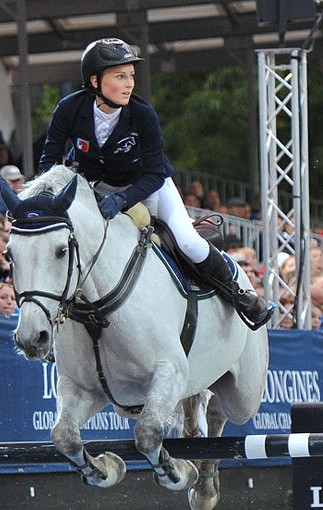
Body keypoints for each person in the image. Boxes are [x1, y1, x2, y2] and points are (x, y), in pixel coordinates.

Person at [38, 38, 271, 328]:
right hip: (95, 188)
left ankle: (238, 295)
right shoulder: (69, 108)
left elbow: (155, 173)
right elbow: (49, 160)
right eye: (120, 77)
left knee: (189, 242)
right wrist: (45, 199)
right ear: (95, 81)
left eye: (131, 76)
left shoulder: (143, 114)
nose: (129, 84)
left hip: (148, 187)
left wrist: (123, 200)